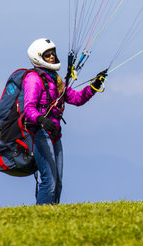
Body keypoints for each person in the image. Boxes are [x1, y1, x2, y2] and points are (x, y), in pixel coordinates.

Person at [24, 38, 106, 205]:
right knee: (49, 181)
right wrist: (42, 120)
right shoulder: (33, 79)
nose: (52, 57)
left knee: (58, 183)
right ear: (38, 58)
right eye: (47, 55)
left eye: (53, 53)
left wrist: (94, 86)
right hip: (40, 134)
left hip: (54, 134)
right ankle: (41, 219)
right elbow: (29, 108)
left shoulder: (55, 79)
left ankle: (53, 216)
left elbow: (76, 99)